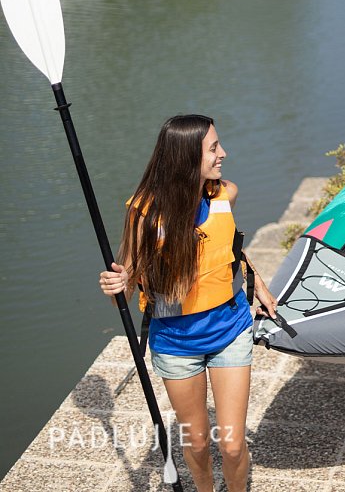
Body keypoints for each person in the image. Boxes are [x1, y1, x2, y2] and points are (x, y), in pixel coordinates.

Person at [99, 115, 277, 492]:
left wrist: (255, 278)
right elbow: (126, 294)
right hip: (176, 343)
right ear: (185, 157)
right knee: (196, 442)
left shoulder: (225, 194)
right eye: (214, 148)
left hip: (230, 331)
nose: (223, 153)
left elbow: (226, 248)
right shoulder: (144, 214)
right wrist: (119, 286)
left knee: (231, 443)